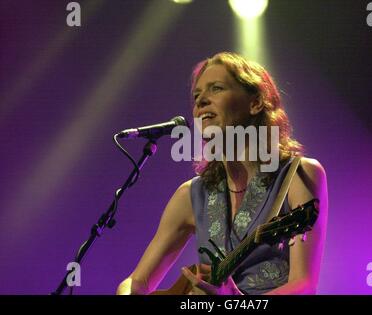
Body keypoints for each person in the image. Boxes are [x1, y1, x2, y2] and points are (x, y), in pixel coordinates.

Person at [116, 52, 328, 295]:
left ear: (255, 103)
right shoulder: (191, 194)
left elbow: (304, 287)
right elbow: (136, 282)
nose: (200, 101)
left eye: (216, 88)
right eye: (196, 96)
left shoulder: (299, 174)